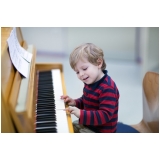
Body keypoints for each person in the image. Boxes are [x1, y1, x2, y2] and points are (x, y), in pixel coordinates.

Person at [61, 43, 119, 133]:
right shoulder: (91, 81)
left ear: (99, 63)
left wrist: (80, 113)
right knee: (68, 128)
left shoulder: (107, 88)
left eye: (84, 69)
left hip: (101, 131)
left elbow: (105, 115)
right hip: (90, 125)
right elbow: (87, 100)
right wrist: (75, 102)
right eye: (77, 72)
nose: (81, 74)